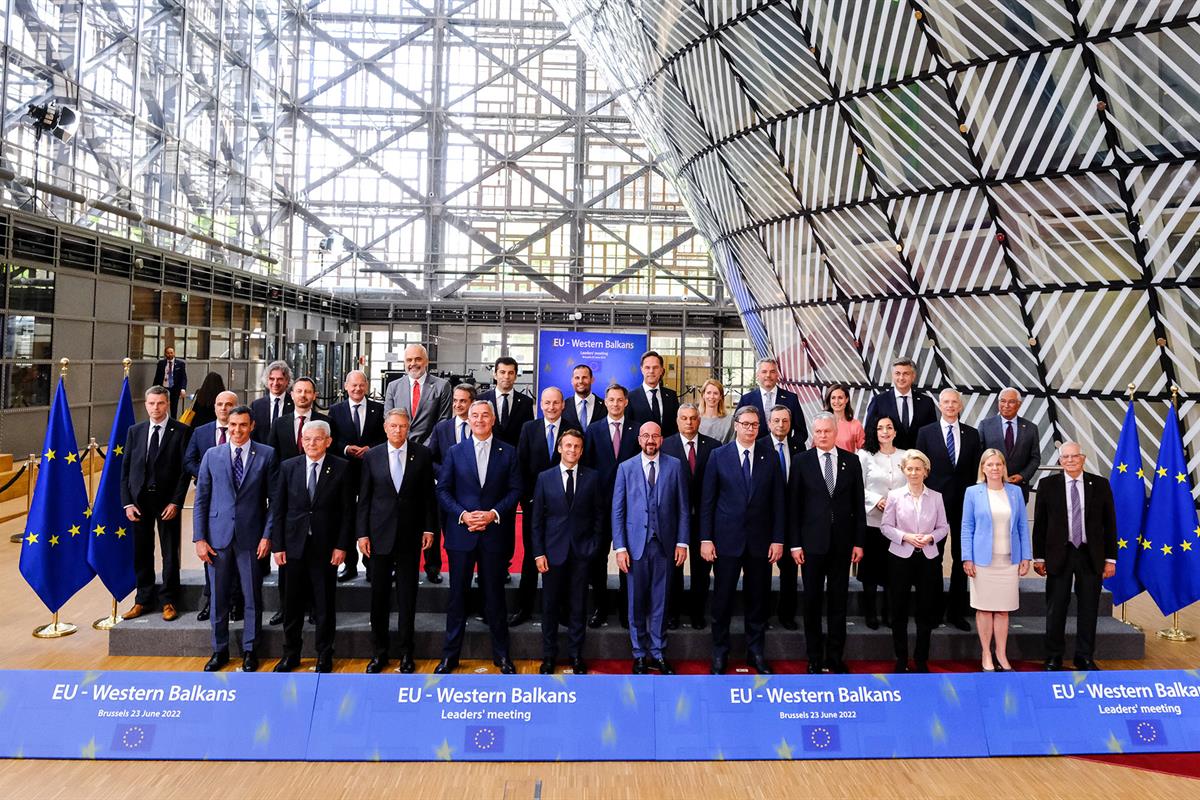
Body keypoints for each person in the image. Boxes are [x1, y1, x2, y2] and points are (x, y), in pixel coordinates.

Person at [435, 400, 522, 674]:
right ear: (468, 419)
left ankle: (502, 656)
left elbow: (515, 489)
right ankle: (450, 656)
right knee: (457, 597)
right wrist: (463, 515)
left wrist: (493, 513)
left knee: (495, 598)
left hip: (494, 534)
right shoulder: (454, 451)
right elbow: (443, 490)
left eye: (485, 415)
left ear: (493, 419)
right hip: (462, 534)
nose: (480, 420)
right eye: (475, 415)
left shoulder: (508, 452)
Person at [700, 406, 786, 674]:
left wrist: (778, 539)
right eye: (746, 424)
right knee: (722, 600)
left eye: (755, 425)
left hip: (760, 542)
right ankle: (720, 653)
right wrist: (705, 539)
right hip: (726, 541)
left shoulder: (770, 457)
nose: (751, 429)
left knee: (757, 600)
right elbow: (707, 502)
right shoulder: (718, 456)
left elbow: (778, 503)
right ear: (735, 425)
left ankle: (756, 653)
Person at [193, 405, 278, 672]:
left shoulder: (266, 454)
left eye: (243, 425)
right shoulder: (211, 455)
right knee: (218, 598)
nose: (237, 430)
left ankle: (250, 649)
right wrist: (199, 539)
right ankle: (219, 651)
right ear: (226, 426)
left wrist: (267, 535)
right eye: (233, 426)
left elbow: (274, 501)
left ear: (252, 426)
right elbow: (201, 500)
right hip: (217, 539)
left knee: (252, 595)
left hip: (251, 538)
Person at [357, 409, 438, 674]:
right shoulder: (372, 456)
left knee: (407, 597)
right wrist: (362, 533)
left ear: (408, 428)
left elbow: (428, 496)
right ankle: (378, 653)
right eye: (393, 426)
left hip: (410, 536)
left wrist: (429, 529)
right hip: (378, 536)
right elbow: (365, 499)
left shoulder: (422, 454)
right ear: (385, 427)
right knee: (378, 598)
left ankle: (406, 652)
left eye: (402, 426)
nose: (398, 431)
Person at [269, 421, 353, 673]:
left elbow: (348, 512)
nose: (311, 444)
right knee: (291, 605)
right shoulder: (288, 467)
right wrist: (278, 545)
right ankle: (291, 654)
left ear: (328, 441)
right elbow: (279, 509)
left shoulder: (342, 468)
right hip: (293, 548)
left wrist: (341, 546)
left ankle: (324, 654)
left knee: (324, 605)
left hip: (325, 549)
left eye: (317, 439)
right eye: (307, 439)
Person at [789, 412, 866, 674]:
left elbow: (859, 506)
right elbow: (794, 507)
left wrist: (859, 542)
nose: (822, 435)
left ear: (836, 433)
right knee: (811, 603)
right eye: (818, 431)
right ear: (813, 432)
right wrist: (795, 544)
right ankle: (813, 657)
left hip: (842, 545)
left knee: (838, 603)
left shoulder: (851, 462)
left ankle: (834, 656)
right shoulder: (801, 462)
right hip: (811, 546)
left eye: (827, 431)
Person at [612, 422, 689, 674]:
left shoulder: (675, 466)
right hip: (635, 546)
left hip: (664, 546)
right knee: (636, 602)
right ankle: (639, 654)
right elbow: (618, 511)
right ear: (639, 439)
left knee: (660, 601)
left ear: (662, 439)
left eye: (655, 435)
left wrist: (682, 542)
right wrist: (620, 547)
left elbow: (683, 508)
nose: (650, 440)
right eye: (645, 435)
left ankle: (658, 652)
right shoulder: (625, 468)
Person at [1033, 442, 1117, 672]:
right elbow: (1040, 524)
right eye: (1065, 457)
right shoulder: (1047, 485)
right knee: (1056, 607)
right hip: (1059, 554)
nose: (1070, 460)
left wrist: (1111, 559)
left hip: (1091, 556)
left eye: (1074, 456)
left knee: (1089, 608)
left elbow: (1110, 524)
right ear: (1060, 461)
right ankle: (1053, 656)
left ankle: (1084, 657)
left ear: (1083, 458)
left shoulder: (1100, 484)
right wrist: (1038, 557)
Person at [531, 429, 603, 675]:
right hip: (552, 554)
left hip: (581, 554)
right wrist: (538, 553)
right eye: (568, 446)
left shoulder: (592, 478)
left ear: (582, 451)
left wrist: (593, 547)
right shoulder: (544, 478)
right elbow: (537, 520)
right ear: (560, 448)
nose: (572, 450)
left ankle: (575, 655)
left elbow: (598, 517)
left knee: (578, 607)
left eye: (577, 447)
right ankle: (549, 656)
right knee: (550, 607)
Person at [120, 386, 192, 622]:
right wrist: (127, 503)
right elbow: (125, 471)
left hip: (167, 503)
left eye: (160, 403)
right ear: (146, 404)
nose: (155, 408)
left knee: (170, 553)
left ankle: (169, 600)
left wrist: (176, 502)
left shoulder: (181, 431)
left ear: (167, 404)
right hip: (140, 502)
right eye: (151, 403)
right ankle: (143, 599)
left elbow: (184, 472)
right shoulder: (135, 431)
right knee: (141, 552)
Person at [915, 388, 982, 631]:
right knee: (932, 558)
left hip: (964, 504)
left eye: (954, 402)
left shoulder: (973, 435)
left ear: (960, 406)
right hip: (935, 504)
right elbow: (921, 469)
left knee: (961, 558)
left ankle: (956, 612)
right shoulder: (926, 433)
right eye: (946, 402)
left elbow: (976, 471)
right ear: (940, 405)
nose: (950, 406)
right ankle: (932, 612)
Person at [266, 376, 329, 626]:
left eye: (308, 392)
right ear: (292, 395)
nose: (303, 395)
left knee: (316, 565)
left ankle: (314, 607)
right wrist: (275, 495)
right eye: (299, 391)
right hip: (290, 502)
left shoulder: (325, 422)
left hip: (317, 501)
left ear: (314, 395)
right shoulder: (280, 423)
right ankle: (286, 607)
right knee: (288, 565)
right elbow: (273, 460)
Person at [961, 449, 1032, 672]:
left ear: (1004, 467)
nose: (994, 468)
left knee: (1003, 610)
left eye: (998, 464)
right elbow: (967, 527)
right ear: (983, 468)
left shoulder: (1015, 492)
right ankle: (986, 654)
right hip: (982, 561)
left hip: (1009, 560)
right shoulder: (973, 493)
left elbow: (1022, 525)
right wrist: (967, 558)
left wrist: (1026, 556)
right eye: (989, 464)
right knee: (983, 610)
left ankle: (1001, 653)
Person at [880, 449, 949, 673]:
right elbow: (886, 527)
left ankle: (921, 659)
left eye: (918, 469)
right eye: (909, 468)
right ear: (903, 470)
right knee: (898, 610)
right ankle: (901, 659)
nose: (913, 472)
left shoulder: (936, 497)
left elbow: (944, 527)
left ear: (926, 471)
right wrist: (906, 537)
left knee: (926, 611)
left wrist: (931, 537)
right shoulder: (895, 496)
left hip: (928, 559)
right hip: (900, 558)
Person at [582, 383, 640, 628]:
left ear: (626, 402)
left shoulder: (636, 430)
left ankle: (628, 610)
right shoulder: (593, 430)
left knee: (629, 557)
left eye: (620, 400)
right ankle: (600, 607)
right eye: (611, 400)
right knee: (597, 558)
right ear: (605, 402)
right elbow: (587, 466)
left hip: (631, 505)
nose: (615, 404)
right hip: (601, 505)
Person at [183, 390, 243, 622]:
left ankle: (236, 603)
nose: (224, 408)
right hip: (212, 506)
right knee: (212, 558)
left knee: (237, 561)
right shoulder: (201, 432)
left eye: (229, 404)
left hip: (238, 506)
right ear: (214, 406)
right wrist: (209, 474)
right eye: (219, 403)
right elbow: (189, 460)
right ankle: (211, 602)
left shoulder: (243, 433)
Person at [660, 402, 720, 629]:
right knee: (673, 570)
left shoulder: (713, 447)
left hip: (704, 520)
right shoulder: (666, 446)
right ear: (677, 421)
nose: (689, 422)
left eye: (693, 418)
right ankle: (673, 613)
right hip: (674, 520)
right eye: (684, 418)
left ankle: (697, 613)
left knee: (701, 571)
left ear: (699, 420)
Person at [511, 387, 567, 626]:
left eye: (555, 403)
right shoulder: (529, 428)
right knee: (531, 557)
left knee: (561, 558)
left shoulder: (572, 428)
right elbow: (521, 466)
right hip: (534, 504)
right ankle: (524, 608)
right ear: (540, 405)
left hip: (563, 508)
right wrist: (527, 499)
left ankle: (559, 610)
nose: (551, 407)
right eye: (546, 403)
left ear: (563, 405)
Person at [328, 369, 386, 582]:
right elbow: (331, 439)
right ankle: (349, 565)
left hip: (372, 471)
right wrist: (346, 449)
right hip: (345, 472)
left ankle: (371, 565)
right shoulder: (336, 410)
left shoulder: (379, 410)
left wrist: (371, 448)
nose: (357, 389)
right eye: (353, 385)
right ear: (345, 387)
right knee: (347, 516)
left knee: (371, 515)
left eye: (361, 385)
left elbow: (384, 436)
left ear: (367, 386)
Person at [425, 383, 477, 584]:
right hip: (446, 489)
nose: (457, 405)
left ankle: (473, 570)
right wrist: (448, 474)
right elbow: (430, 458)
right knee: (438, 528)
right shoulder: (442, 427)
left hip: (473, 491)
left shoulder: (481, 425)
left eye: (463, 401)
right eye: (455, 400)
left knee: (467, 533)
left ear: (472, 402)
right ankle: (433, 568)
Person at [858, 414, 906, 629]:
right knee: (870, 570)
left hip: (898, 523)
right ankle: (870, 613)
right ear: (874, 432)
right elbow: (857, 486)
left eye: (889, 427)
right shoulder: (865, 455)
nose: (885, 432)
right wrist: (876, 500)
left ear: (895, 431)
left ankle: (890, 612)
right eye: (880, 428)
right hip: (872, 521)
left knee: (893, 570)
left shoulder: (906, 455)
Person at [765, 404, 803, 629]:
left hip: (791, 519)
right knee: (762, 572)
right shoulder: (759, 447)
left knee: (789, 572)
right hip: (764, 519)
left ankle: (786, 614)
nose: (781, 425)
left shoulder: (799, 447)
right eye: (776, 420)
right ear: (769, 423)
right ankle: (763, 615)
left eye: (785, 421)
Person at [978, 387, 1041, 500]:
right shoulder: (985, 425)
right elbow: (979, 456)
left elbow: (1035, 458)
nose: (1006, 405)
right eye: (1002, 401)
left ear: (1019, 404)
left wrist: (1022, 476)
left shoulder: (1031, 428)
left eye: (1011, 402)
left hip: (1019, 489)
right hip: (991, 488)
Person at [384, 344, 452, 445]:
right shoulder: (393, 386)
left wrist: (426, 447)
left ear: (426, 361)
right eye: (409, 360)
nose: (413, 363)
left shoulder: (442, 386)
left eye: (418, 359)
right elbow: (388, 419)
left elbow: (443, 420)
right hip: (400, 447)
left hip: (429, 450)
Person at [864, 358, 937, 451]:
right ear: (892, 376)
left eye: (906, 374)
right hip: (888, 457)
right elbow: (869, 431)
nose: (901, 378)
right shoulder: (879, 401)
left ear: (913, 376)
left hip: (918, 458)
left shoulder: (926, 402)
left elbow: (932, 433)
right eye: (897, 373)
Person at [736, 358, 806, 447]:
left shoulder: (791, 398)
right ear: (757, 375)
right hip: (754, 454)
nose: (768, 375)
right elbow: (737, 428)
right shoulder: (746, 400)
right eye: (764, 372)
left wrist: (790, 448)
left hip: (782, 454)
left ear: (777, 375)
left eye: (772, 372)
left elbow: (801, 431)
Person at [479, 356, 534, 446]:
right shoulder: (481, 400)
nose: (506, 376)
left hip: (515, 455)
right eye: (502, 372)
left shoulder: (526, 402)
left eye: (511, 373)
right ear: (495, 375)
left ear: (515, 376)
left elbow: (528, 434)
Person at [627, 351, 680, 437]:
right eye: (647, 367)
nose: (651, 371)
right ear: (642, 370)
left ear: (661, 370)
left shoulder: (671, 396)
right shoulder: (631, 397)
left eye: (655, 367)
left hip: (667, 448)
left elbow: (676, 426)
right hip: (640, 448)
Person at [251, 360, 294, 444]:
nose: (275, 383)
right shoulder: (256, 405)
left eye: (280, 379)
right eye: (271, 379)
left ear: (287, 381)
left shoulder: (295, 404)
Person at [560, 364, 604, 432]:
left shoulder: (604, 406)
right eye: (577, 378)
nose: (580, 381)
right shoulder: (563, 406)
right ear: (572, 381)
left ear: (592, 380)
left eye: (584, 377)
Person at [825, 383, 864, 452]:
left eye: (840, 398)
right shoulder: (822, 423)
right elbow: (815, 448)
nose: (836, 401)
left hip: (847, 462)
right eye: (833, 398)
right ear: (829, 400)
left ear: (846, 399)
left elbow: (864, 450)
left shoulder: (856, 425)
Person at [153, 346, 188, 417]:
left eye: (171, 353)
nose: (170, 354)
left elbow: (183, 377)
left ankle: (173, 422)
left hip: (174, 388)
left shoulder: (180, 364)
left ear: (174, 353)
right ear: (165, 354)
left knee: (174, 407)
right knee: (162, 405)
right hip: (163, 387)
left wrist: (183, 388)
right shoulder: (161, 363)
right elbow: (157, 377)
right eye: (168, 353)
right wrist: (154, 389)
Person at [697, 378, 733, 444]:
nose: (712, 396)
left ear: (720, 397)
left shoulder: (729, 420)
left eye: (715, 393)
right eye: (708, 393)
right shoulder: (696, 419)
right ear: (703, 395)